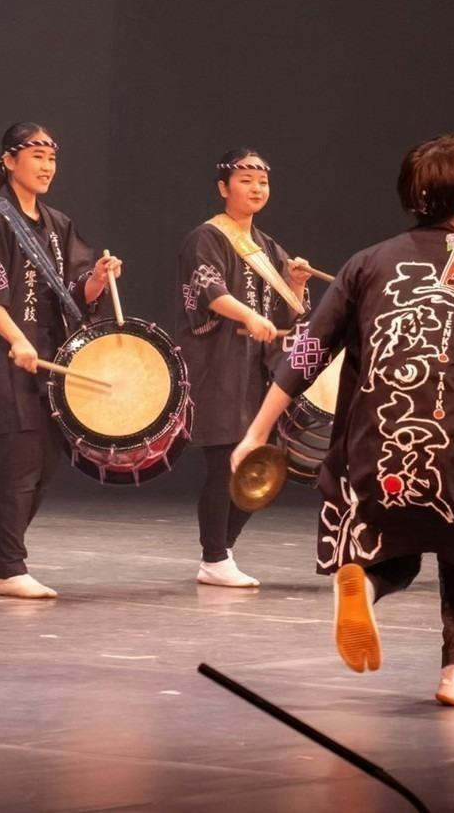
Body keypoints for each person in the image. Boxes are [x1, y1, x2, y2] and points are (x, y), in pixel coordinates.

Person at [232, 134, 454, 706]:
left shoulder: (366, 263)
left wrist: (255, 433)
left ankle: (365, 587)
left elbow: (307, 355)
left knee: (392, 555)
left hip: (379, 447)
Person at [0, 122, 122, 599]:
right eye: (37, 155)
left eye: (52, 157)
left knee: (45, 464)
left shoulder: (57, 223)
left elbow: (74, 292)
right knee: (22, 462)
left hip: (47, 355)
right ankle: (9, 567)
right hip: (3, 354)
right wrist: (16, 340)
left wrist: (98, 280)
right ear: (8, 161)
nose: (47, 166)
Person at [176, 149, 313, 587]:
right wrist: (249, 316)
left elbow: (289, 317)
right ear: (223, 188)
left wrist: (294, 284)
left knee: (261, 464)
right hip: (217, 366)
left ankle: (223, 551)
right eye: (245, 180)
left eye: (262, 182)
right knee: (226, 462)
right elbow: (209, 293)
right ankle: (214, 557)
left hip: (258, 371)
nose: (256, 189)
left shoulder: (267, 247)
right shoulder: (207, 237)